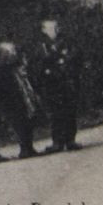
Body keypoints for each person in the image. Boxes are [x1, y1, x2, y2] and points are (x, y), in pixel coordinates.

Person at [30, 17, 82, 153]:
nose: (56, 30)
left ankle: (71, 140)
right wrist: (56, 62)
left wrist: (59, 61)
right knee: (55, 113)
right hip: (51, 84)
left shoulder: (67, 41)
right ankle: (57, 142)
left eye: (57, 27)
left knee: (70, 111)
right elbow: (38, 64)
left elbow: (75, 56)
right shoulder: (40, 45)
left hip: (67, 81)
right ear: (44, 30)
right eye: (51, 28)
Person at [0, 40, 42, 159]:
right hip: (11, 101)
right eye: (10, 51)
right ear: (3, 53)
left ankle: (29, 147)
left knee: (28, 123)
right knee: (19, 125)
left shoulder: (17, 65)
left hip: (23, 98)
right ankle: (24, 149)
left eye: (13, 50)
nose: (13, 53)